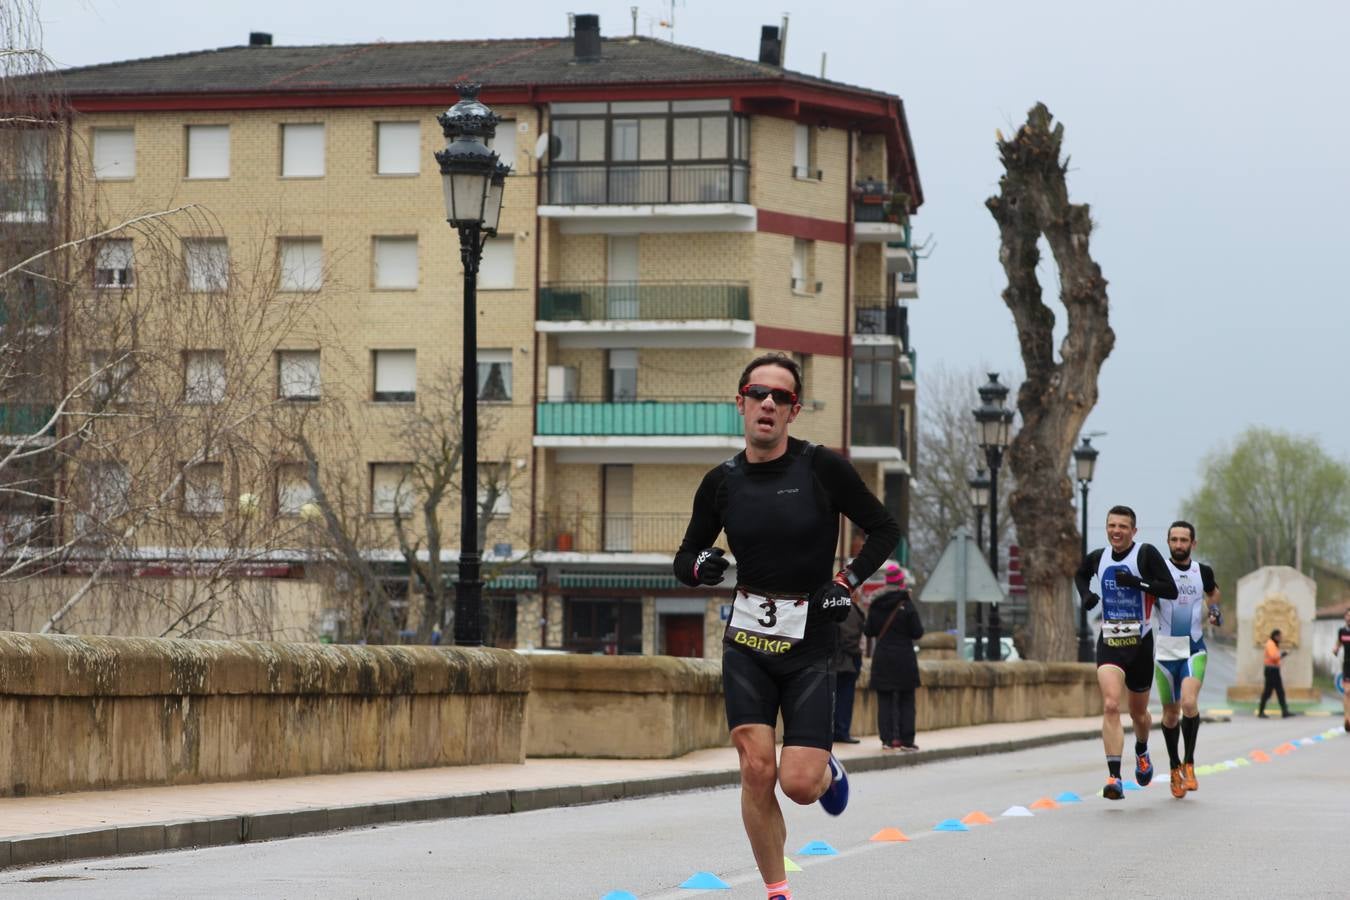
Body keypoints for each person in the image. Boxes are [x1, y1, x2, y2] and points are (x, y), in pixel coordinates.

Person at [673, 353, 899, 900]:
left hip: (809, 644)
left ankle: (826, 771)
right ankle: (777, 890)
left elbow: (884, 529)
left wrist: (844, 584)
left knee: (797, 785)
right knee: (756, 769)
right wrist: (700, 567)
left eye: (780, 397)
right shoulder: (721, 482)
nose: (767, 403)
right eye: (757, 394)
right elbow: (685, 558)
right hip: (747, 641)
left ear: (794, 411)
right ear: (741, 404)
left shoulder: (823, 468)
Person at [1074, 505, 1178, 801]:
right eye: (1111, 525)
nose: (1116, 531)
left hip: (1140, 643)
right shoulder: (1099, 557)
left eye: (1122, 526)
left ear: (1133, 531)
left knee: (1138, 713)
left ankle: (1142, 749)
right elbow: (1080, 576)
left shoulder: (1144, 554)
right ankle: (1114, 777)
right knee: (1110, 705)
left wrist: (1137, 583)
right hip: (1110, 641)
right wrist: (1086, 596)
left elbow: (1168, 589)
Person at [1155, 521, 1221, 799]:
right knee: (1170, 714)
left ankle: (1190, 762)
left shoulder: (1202, 571)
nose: (1179, 545)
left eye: (1184, 540)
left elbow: (1213, 593)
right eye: (1174, 540)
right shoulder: (1158, 570)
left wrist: (1214, 610)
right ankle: (1174, 767)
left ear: (1193, 543)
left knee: (1189, 703)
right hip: (1165, 651)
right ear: (1168, 542)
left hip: (1194, 647)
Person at [865, 562, 924, 751]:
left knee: (885, 700)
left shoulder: (875, 604)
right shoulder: (906, 604)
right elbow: (917, 632)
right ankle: (907, 740)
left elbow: (869, 631)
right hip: (904, 658)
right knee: (906, 698)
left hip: (883, 658)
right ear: (901, 583)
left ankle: (888, 740)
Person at [831, 588, 866, 744]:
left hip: (835, 659)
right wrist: (856, 652)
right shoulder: (850, 610)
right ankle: (841, 731)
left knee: (834, 698)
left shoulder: (835, 606)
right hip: (846, 660)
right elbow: (849, 638)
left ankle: (836, 730)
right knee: (845, 697)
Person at [1258, 629, 1293, 718]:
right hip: (1271, 671)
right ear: (1275, 636)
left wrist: (1281, 655)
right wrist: (1282, 655)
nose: (1281, 638)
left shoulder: (1273, 644)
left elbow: (1275, 657)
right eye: (1279, 636)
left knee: (1279, 691)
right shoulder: (1270, 644)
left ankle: (1284, 711)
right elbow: (1273, 657)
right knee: (1268, 692)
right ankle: (1261, 711)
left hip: (1274, 670)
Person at [1332, 609, 1350, 730]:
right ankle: (1347, 719)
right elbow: (1338, 644)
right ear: (1345, 617)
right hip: (1347, 665)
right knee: (1347, 692)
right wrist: (1335, 649)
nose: (1349, 617)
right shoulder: (1342, 631)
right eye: (1348, 615)